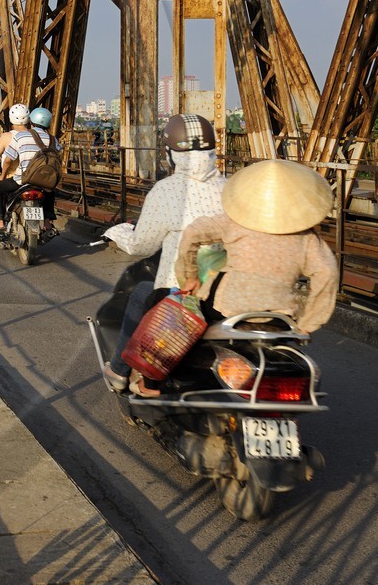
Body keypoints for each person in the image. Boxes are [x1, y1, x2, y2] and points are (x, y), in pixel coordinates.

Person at [101, 113, 226, 391]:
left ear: (171, 154)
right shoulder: (229, 187)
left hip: (180, 292)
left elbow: (141, 246)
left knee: (141, 294)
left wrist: (118, 232)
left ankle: (120, 371)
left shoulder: (167, 190)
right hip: (225, 293)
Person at [174, 158, 339, 336]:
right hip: (279, 316)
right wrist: (308, 325)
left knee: (183, 328)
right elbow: (327, 272)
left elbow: (192, 232)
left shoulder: (234, 222)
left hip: (226, 307)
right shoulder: (307, 238)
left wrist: (190, 276)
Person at [0, 104, 57, 239]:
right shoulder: (53, 139)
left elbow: (8, 160)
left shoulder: (21, 137)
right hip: (45, 181)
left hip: (23, 179)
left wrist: (2, 176)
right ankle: (47, 223)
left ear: (31, 121)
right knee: (51, 191)